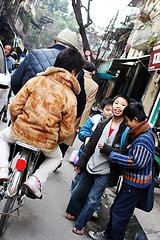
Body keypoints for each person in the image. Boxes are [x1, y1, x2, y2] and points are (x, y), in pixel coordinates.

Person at [0, 48, 84, 199]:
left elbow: (14, 107)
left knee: (3, 138)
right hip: (46, 141)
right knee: (56, 158)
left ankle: (3, 169)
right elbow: (66, 131)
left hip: (20, 131)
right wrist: (54, 139)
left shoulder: (36, 81)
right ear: (73, 72)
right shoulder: (70, 97)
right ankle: (36, 179)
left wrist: (17, 123)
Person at [89, 103, 155, 240]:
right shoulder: (142, 132)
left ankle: (112, 237)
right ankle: (108, 235)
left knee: (120, 214)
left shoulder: (144, 138)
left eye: (127, 120)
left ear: (135, 120)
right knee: (118, 211)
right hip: (132, 184)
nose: (126, 123)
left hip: (134, 186)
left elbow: (136, 162)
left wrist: (113, 156)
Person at [65, 95, 130, 235]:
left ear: (127, 108)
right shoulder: (102, 123)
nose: (118, 106)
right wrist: (81, 162)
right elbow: (90, 145)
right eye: (116, 103)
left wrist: (107, 148)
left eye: (122, 104)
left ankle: (81, 224)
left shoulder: (126, 130)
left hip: (106, 171)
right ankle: (73, 211)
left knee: (93, 199)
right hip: (91, 165)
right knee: (79, 191)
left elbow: (124, 153)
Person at [11, 28, 86, 119]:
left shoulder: (35, 54)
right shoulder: (77, 70)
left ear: (54, 42)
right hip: (50, 128)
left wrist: (25, 102)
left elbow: (15, 82)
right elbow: (79, 107)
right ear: (73, 50)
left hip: (23, 118)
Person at [71, 97, 113, 192]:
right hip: (86, 156)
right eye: (107, 110)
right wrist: (87, 137)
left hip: (99, 160)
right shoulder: (95, 119)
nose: (110, 113)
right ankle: (74, 198)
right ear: (102, 109)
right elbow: (83, 131)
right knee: (77, 180)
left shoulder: (113, 125)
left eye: (112, 110)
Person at [59, 61, 99, 157]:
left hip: (62, 111)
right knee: (65, 143)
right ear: (92, 72)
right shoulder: (94, 86)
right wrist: (81, 124)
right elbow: (88, 106)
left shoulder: (73, 77)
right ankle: (58, 161)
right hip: (76, 116)